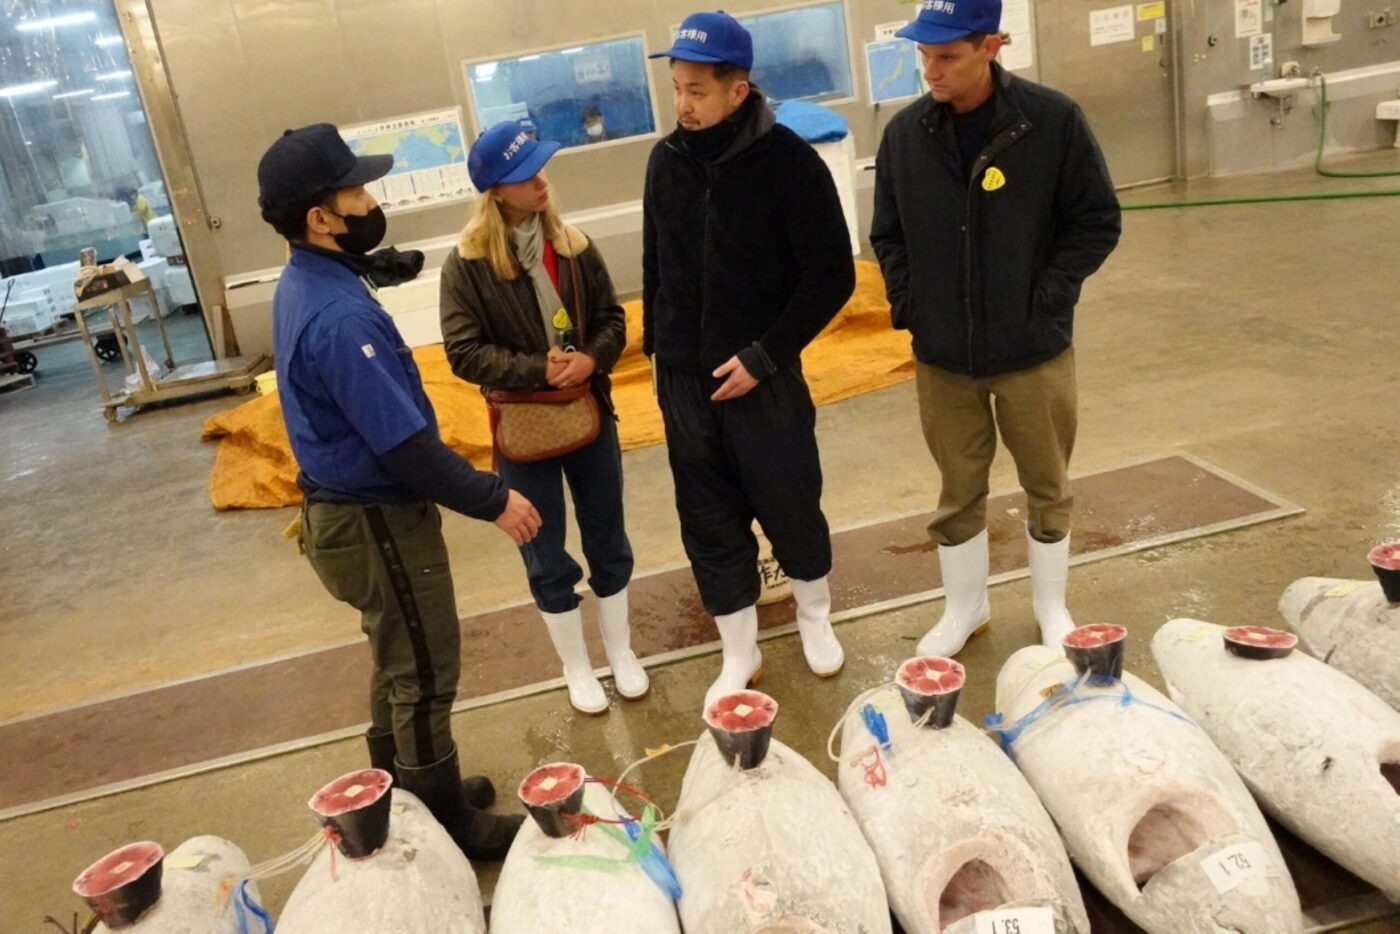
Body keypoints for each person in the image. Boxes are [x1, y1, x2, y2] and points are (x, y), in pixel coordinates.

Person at [256, 124, 537, 861]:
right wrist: (494, 499)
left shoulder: (310, 280)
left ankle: (400, 788)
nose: (370, 201)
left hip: (344, 515)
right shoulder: (341, 318)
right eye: (356, 191)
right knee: (423, 668)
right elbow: (405, 446)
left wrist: (370, 271)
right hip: (375, 520)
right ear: (321, 217)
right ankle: (444, 819)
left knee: (396, 654)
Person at [870, 0, 1122, 657]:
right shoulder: (905, 136)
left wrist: (1047, 298)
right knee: (957, 490)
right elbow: (887, 234)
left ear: (992, 46)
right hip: (943, 354)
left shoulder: (1052, 121)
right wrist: (911, 304)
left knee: (1047, 482)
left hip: (1032, 350)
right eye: (924, 55)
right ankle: (966, 607)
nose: (930, 70)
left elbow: (1096, 220)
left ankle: (1050, 606)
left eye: (947, 56)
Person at [643, 11, 855, 708]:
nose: (684, 105)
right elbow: (654, 264)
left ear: (738, 90)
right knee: (706, 515)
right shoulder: (666, 162)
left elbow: (831, 276)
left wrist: (765, 356)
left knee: (790, 500)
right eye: (678, 89)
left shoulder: (789, 164)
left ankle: (815, 617)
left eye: (698, 91)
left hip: (763, 376)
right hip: (685, 380)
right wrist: (659, 350)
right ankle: (740, 650)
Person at [440, 122, 647, 716]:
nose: (540, 181)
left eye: (540, 167)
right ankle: (576, 665)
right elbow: (462, 352)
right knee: (543, 546)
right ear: (496, 192)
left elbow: (612, 318)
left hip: (588, 411)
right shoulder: (466, 265)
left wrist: (590, 358)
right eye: (524, 174)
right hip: (522, 427)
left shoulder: (573, 246)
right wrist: (539, 368)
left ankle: (621, 652)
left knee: (608, 534)